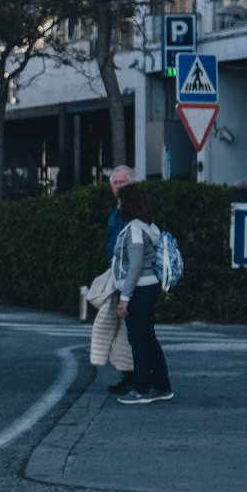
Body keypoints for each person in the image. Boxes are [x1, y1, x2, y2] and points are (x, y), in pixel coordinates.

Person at [112, 183, 173, 404]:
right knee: (148, 338)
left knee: (139, 340)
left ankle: (141, 388)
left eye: (120, 201)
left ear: (127, 204)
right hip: (148, 287)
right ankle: (162, 386)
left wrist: (125, 297)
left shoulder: (135, 229)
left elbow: (135, 265)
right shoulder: (149, 226)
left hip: (140, 289)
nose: (118, 205)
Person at [100, 166, 137, 393]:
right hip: (117, 274)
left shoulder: (134, 210)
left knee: (129, 330)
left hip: (128, 278)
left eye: (122, 183)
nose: (118, 187)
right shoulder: (118, 209)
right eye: (115, 183)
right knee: (121, 331)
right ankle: (129, 375)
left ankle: (135, 377)